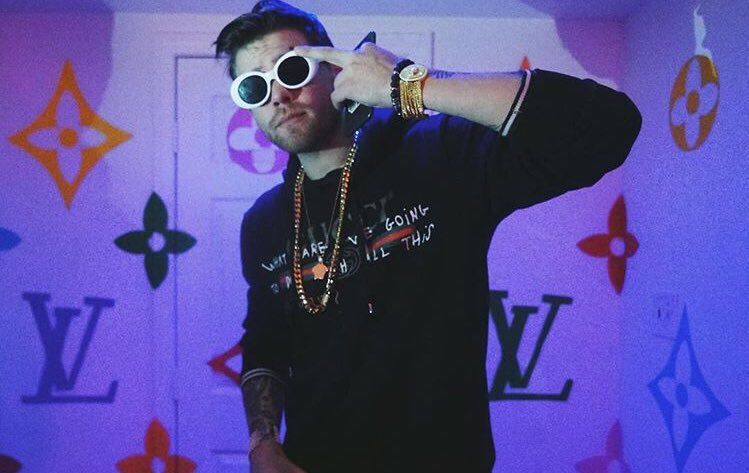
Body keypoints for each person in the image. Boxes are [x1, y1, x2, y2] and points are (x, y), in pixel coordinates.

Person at [214, 1, 641, 472]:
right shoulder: (263, 222)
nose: (278, 94)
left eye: (291, 69)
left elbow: (608, 126)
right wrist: (262, 443)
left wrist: (410, 84)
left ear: (334, 70)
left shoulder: (435, 157)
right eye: (254, 86)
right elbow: (267, 343)